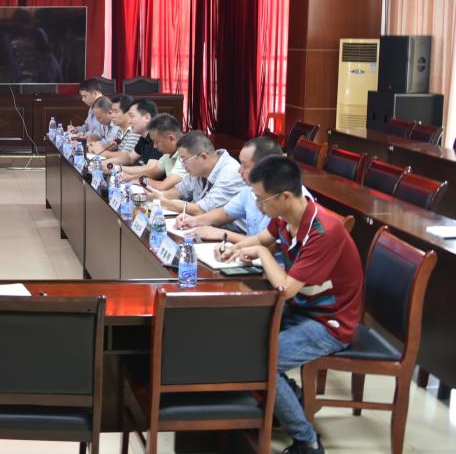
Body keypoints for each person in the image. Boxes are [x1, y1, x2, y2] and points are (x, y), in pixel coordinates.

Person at [218, 157, 363, 454]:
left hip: (330, 323)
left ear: (284, 196)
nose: (257, 205)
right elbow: (262, 238)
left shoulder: (323, 232)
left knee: (264, 360)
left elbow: (284, 289)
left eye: (261, 199)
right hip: (302, 308)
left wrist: (261, 254)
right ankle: (290, 400)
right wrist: (235, 249)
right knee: (241, 335)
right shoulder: (287, 216)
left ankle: (307, 440)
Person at [178, 136, 311, 243]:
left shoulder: (285, 198)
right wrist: (194, 221)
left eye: (244, 165)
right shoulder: (249, 189)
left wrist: (222, 234)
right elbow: (225, 213)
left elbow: (268, 246)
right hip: (253, 256)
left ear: (265, 167)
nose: (239, 170)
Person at [144, 131, 247, 226]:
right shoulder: (199, 169)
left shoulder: (230, 173)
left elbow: (201, 210)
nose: (183, 166)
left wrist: (164, 201)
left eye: (184, 160)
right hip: (205, 226)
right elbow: (180, 190)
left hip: (232, 234)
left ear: (203, 157)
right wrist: (157, 196)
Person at [116, 113, 186, 191]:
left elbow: (163, 186)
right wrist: (130, 177)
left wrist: (141, 180)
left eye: (157, 142)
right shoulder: (169, 152)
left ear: (171, 139)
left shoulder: (186, 153)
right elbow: (153, 172)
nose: (155, 146)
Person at [103, 98, 162, 168]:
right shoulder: (144, 137)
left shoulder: (159, 137)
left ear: (147, 117)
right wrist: (104, 163)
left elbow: (150, 170)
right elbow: (130, 158)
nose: (129, 121)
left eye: (132, 116)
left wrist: (115, 168)